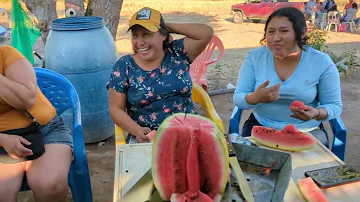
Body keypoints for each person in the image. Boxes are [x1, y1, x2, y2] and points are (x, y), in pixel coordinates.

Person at [233, 7, 342, 147]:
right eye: (271, 32)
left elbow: (334, 106)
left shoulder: (321, 62)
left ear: (301, 33)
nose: (276, 38)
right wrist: (255, 98)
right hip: (261, 124)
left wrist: (316, 112)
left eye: (284, 31)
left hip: (307, 129)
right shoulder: (255, 58)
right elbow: (238, 97)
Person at [107, 7, 213, 144]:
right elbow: (116, 109)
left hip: (190, 132)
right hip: (148, 139)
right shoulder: (124, 66)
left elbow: (206, 33)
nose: (139, 42)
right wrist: (137, 130)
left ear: (163, 35)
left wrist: (166, 26)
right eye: (135, 35)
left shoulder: (178, 52)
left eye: (146, 34)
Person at [0, 45, 73, 202]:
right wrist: (3, 140)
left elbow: (26, 99)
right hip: (3, 139)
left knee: (50, 185)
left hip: (45, 129)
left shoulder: (6, 54)